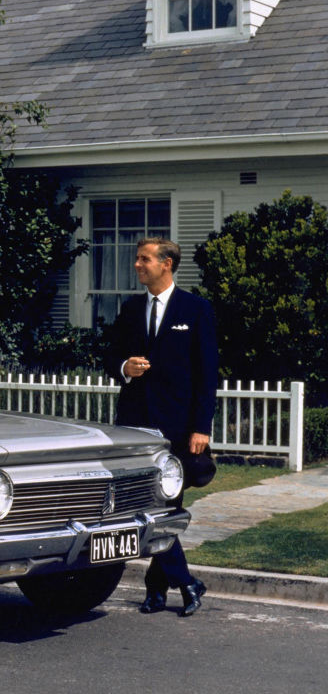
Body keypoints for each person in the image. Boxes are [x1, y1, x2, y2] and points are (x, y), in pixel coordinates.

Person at [103, 237, 218, 617]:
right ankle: (178, 583)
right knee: (143, 505)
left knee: (165, 506)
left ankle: (165, 586)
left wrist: (201, 428)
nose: (137, 265)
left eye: (144, 259)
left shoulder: (196, 309)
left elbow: (207, 375)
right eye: (137, 259)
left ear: (166, 264)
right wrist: (125, 367)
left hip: (178, 429)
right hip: (134, 428)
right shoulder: (131, 308)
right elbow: (109, 357)